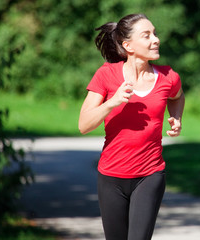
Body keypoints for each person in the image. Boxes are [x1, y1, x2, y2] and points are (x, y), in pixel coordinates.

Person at [79, 13, 185, 240]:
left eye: (155, 33)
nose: (155, 39)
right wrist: (113, 101)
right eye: (147, 35)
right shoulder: (106, 75)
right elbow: (84, 125)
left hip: (150, 174)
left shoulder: (168, 76)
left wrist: (176, 117)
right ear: (128, 45)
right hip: (111, 177)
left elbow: (177, 97)